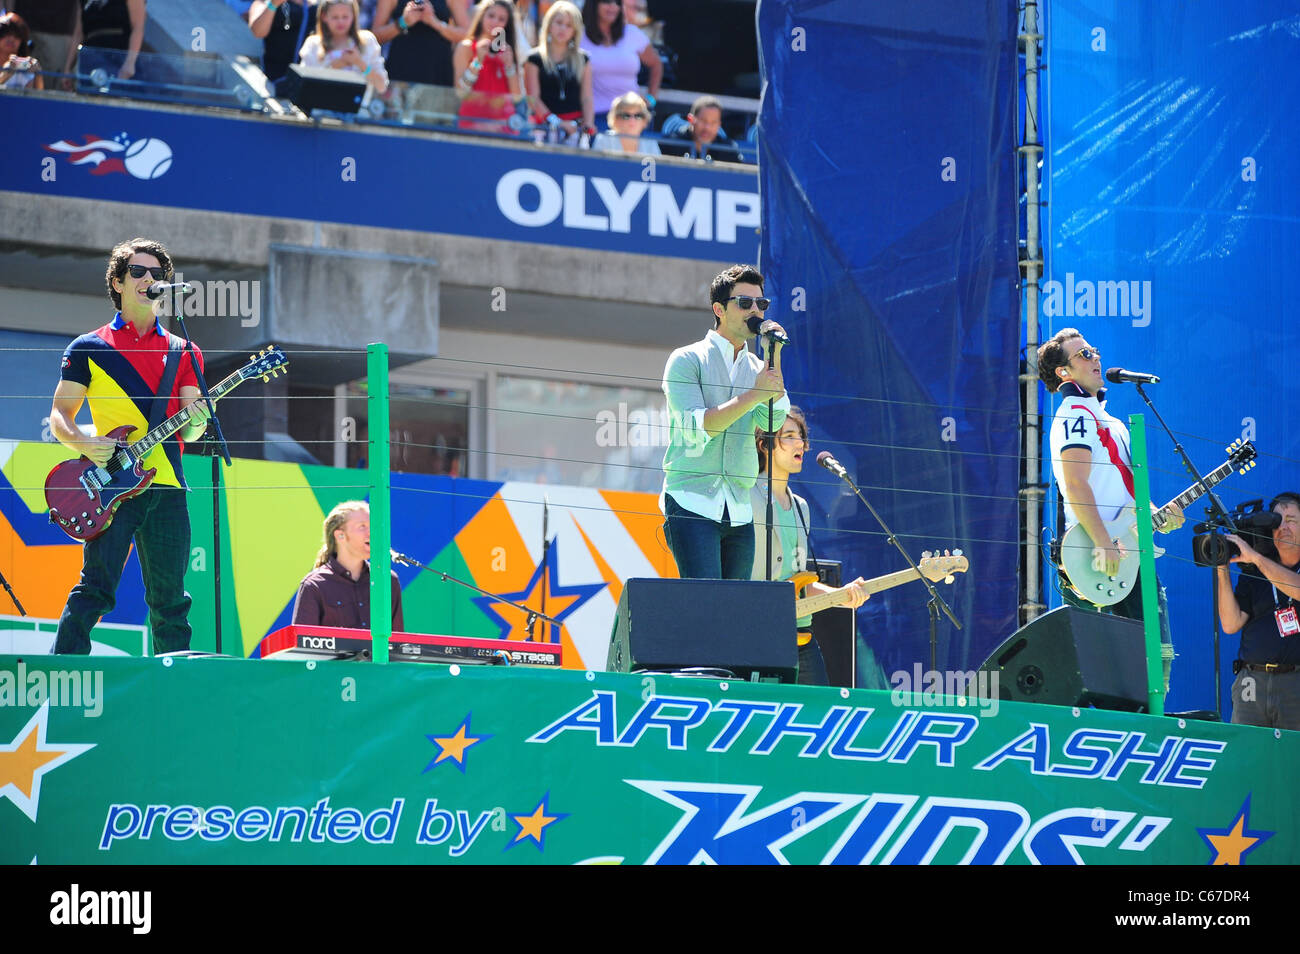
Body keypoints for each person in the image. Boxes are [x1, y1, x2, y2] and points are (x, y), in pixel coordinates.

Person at [50, 239, 212, 655]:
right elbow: (59, 417)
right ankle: (59, 678)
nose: (148, 280)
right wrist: (86, 442)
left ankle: (173, 691)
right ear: (118, 283)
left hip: (169, 489)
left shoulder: (184, 350)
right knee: (95, 591)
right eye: (138, 272)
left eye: (157, 275)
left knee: (171, 604)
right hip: (111, 488)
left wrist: (197, 422)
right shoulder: (88, 346)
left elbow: (190, 434)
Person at [1038, 327, 1182, 689]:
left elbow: (1125, 490)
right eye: (1084, 354)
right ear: (1063, 373)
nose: (1096, 358)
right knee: (1119, 679)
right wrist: (1103, 541)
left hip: (1126, 551)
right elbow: (1075, 483)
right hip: (1100, 556)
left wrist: (1157, 515)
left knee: (1155, 671)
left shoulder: (1109, 420)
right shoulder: (1074, 413)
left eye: (1095, 351)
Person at [660, 264, 789, 581]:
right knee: (705, 610)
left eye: (762, 304)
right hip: (691, 503)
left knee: (733, 614)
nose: (755, 310)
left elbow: (773, 423)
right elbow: (695, 430)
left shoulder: (757, 366)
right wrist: (753, 394)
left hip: (740, 508)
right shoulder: (687, 359)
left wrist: (774, 357)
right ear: (719, 309)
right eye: (745, 303)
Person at [751, 407, 868, 685]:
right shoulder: (745, 497)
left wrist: (842, 594)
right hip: (756, 637)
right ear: (763, 444)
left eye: (801, 436)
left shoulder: (801, 508)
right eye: (789, 436)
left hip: (801, 637)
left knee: (817, 716)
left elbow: (799, 584)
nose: (800, 444)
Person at [1216, 492, 1300, 730]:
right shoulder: (1253, 572)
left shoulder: (1258, 563)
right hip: (1251, 680)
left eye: (1292, 520)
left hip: (1295, 681)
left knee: (1293, 760)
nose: (1283, 527)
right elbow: (1231, 624)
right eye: (1276, 521)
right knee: (1247, 756)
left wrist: (1256, 558)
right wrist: (1222, 569)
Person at [292, 501, 404, 629]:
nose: (372, 532)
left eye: (373, 526)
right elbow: (303, 642)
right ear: (340, 535)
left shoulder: (387, 581)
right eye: (362, 526)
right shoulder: (313, 585)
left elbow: (397, 641)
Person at [371, 0, 469, 105]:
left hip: (437, 75)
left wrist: (435, 22)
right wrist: (403, 22)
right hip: (399, 74)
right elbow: (375, 37)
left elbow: (467, 34)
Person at [581, 0, 659, 129]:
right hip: (596, 118)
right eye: (607, 2)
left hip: (634, 117)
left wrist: (651, 99)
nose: (613, 7)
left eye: (617, 3)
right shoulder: (579, 37)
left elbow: (656, 64)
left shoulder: (633, 33)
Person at [524, 1, 592, 144]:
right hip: (543, 128)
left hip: (575, 129)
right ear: (549, 25)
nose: (563, 29)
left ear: (575, 31)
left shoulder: (583, 59)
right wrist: (556, 122)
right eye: (559, 22)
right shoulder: (534, 58)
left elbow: (586, 97)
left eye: (569, 25)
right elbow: (533, 98)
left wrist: (588, 123)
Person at [453, 0, 523, 134]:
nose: (495, 22)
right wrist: (477, 61)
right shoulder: (466, 47)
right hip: (472, 125)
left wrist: (510, 66)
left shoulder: (508, 51)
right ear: (482, 16)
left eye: (502, 19)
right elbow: (460, 92)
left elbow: (517, 98)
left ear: (506, 25)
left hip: (504, 127)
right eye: (491, 16)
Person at [298, 0, 387, 94]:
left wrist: (360, 63)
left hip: (358, 107)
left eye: (345, 17)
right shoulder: (313, 44)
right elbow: (304, 86)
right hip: (321, 107)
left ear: (354, 15)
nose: (340, 22)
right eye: (335, 17)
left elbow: (381, 86)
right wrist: (333, 69)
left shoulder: (367, 41)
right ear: (324, 17)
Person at [249, 0, 318, 96]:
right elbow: (258, 32)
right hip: (274, 80)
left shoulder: (315, 7)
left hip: (306, 80)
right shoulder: (264, 3)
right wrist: (273, 5)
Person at [9, 1, 77, 87]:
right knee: (15, 83)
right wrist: (10, 24)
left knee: (52, 88)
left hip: (59, 32)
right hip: (20, 30)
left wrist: (68, 66)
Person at [74, 0, 144, 80]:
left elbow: (138, 27)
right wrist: (68, 68)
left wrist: (130, 63)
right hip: (90, 59)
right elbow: (78, 34)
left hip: (118, 58)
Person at [660, 94, 740, 162]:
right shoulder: (670, 145)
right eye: (703, 120)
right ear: (690, 119)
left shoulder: (728, 150)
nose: (707, 127)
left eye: (713, 122)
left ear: (719, 124)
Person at [591, 90, 660, 154]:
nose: (632, 120)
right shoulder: (603, 139)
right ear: (615, 119)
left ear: (645, 121)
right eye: (626, 116)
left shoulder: (651, 143)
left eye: (638, 116)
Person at [0, 12, 42, 89]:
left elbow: (37, 99)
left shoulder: (23, 69)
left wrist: (38, 76)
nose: (12, 39)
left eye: (17, 36)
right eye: (6, 33)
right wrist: (4, 76)